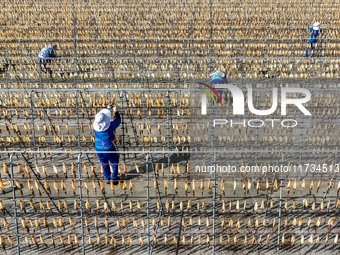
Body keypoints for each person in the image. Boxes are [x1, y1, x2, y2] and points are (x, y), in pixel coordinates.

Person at [93, 105, 121, 183]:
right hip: (108, 147)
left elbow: (101, 117)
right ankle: (114, 178)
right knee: (114, 162)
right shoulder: (109, 127)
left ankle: (108, 177)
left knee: (104, 163)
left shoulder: (95, 125)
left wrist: (107, 108)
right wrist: (115, 111)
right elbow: (118, 120)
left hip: (98, 147)